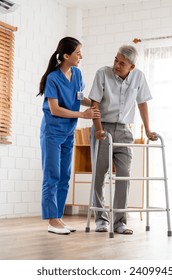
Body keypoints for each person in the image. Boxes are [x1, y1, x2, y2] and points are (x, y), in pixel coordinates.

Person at [89, 45, 157, 235]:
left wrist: (149, 130)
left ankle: (119, 222)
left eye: (122, 63)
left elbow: (142, 103)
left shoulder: (139, 77)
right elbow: (94, 103)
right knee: (99, 175)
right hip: (102, 127)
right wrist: (98, 129)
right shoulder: (102, 74)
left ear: (132, 67)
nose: (116, 66)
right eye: (116, 60)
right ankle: (101, 220)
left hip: (125, 131)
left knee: (124, 175)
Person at [38, 37, 100, 235]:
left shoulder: (77, 73)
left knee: (64, 176)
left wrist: (96, 104)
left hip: (68, 132)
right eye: (78, 53)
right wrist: (83, 114)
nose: (81, 56)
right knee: (52, 176)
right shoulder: (53, 78)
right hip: (52, 132)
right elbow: (55, 109)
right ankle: (52, 220)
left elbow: (78, 97)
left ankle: (59, 218)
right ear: (66, 56)